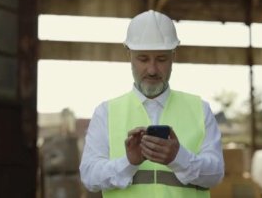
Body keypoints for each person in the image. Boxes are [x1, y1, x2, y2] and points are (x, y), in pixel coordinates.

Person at [79, 10, 224, 198]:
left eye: (161, 59)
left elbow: (216, 174)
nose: (152, 69)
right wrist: (128, 162)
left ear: (173, 56)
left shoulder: (199, 109)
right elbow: (89, 177)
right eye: (143, 59)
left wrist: (178, 158)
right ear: (129, 55)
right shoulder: (106, 112)